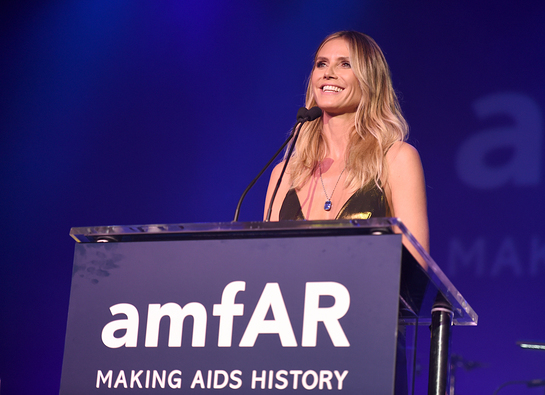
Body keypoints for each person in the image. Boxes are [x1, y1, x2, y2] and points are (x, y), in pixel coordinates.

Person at [264, 31, 429, 255]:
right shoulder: (285, 173)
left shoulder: (396, 159)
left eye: (345, 64)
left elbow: (416, 265)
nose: (328, 74)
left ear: (370, 80)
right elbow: (266, 260)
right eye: (321, 64)